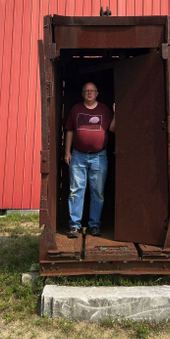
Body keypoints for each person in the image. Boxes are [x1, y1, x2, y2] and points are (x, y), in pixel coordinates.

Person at [64, 82, 115, 238]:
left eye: (92, 90)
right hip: (78, 155)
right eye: (86, 90)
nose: (89, 93)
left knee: (97, 192)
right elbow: (70, 131)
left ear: (97, 93)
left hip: (98, 156)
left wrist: (116, 113)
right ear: (82, 93)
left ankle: (94, 225)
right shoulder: (76, 109)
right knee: (75, 191)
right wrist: (67, 152)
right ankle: (74, 226)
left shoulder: (104, 110)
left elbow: (112, 129)